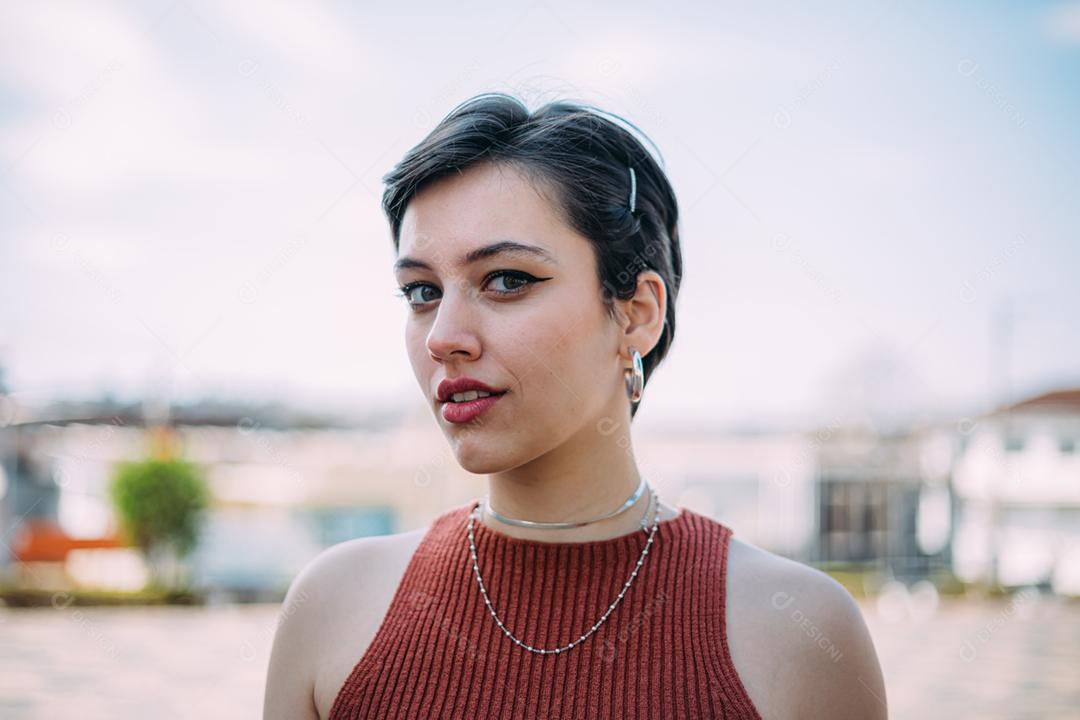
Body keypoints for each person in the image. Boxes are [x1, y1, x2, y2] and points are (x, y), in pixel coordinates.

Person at [264, 92, 887, 719]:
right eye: (421, 291)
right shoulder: (332, 610)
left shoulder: (798, 634)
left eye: (507, 280)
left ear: (637, 315)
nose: (442, 336)